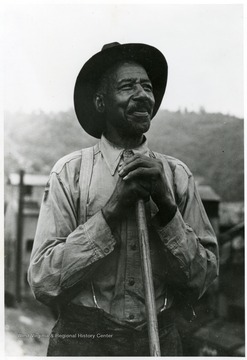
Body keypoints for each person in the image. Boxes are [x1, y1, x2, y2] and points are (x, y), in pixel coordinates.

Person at [28, 42, 219, 356]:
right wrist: (112, 211)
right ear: (101, 102)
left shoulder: (177, 175)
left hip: (161, 343)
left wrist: (168, 208)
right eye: (128, 86)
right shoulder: (69, 173)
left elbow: (202, 279)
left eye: (147, 86)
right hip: (84, 344)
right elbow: (43, 280)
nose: (143, 94)